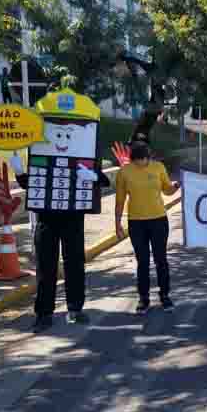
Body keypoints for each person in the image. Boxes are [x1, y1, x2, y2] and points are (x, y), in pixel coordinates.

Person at [13, 157, 111, 333]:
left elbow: (105, 181)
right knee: (45, 268)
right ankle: (44, 314)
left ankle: (75, 309)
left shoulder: (80, 156)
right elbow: (30, 183)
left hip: (73, 221)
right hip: (46, 221)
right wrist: (20, 172)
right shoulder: (45, 159)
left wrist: (93, 176)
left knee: (74, 265)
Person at [115, 142, 181, 315]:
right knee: (142, 262)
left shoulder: (158, 167)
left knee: (161, 260)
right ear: (132, 159)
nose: (141, 163)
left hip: (159, 220)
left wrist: (174, 187)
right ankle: (143, 299)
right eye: (137, 160)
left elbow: (166, 190)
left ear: (148, 157)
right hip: (136, 223)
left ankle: (165, 296)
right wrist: (117, 223)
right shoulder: (124, 172)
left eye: (144, 159)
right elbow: (120, 199)